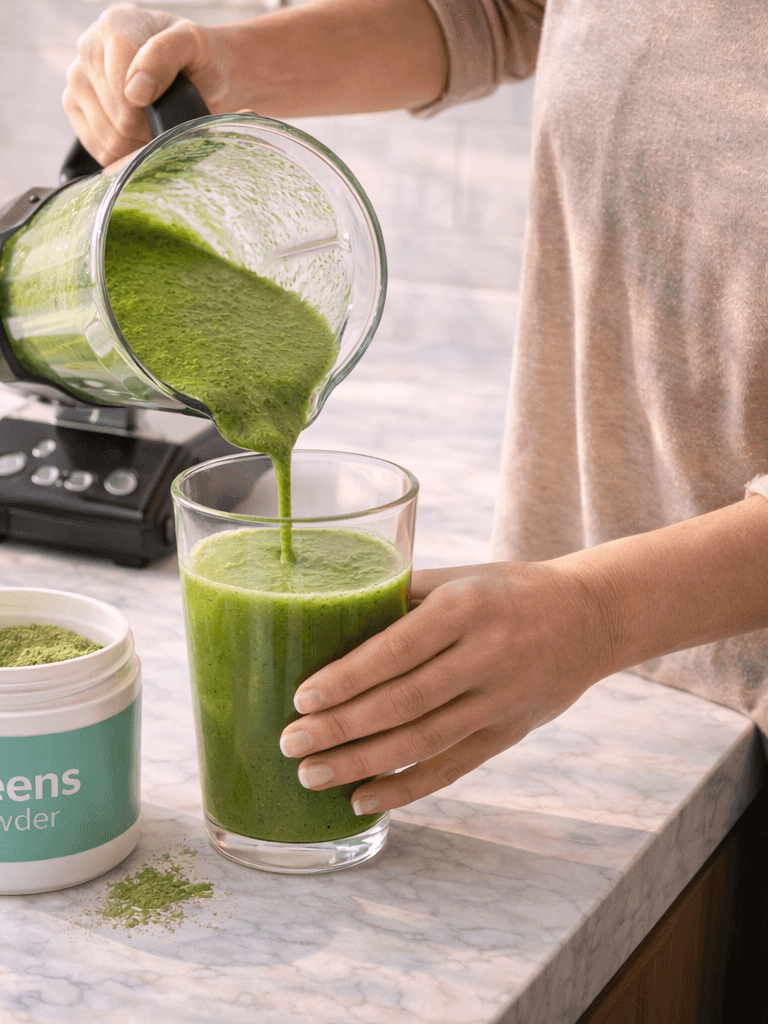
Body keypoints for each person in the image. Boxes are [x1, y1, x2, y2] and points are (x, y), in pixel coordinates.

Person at [64, 0, 768, 817]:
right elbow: (503, 12)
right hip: (559, 647)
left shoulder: (589, 617)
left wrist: (601, 611)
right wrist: (227, 64)